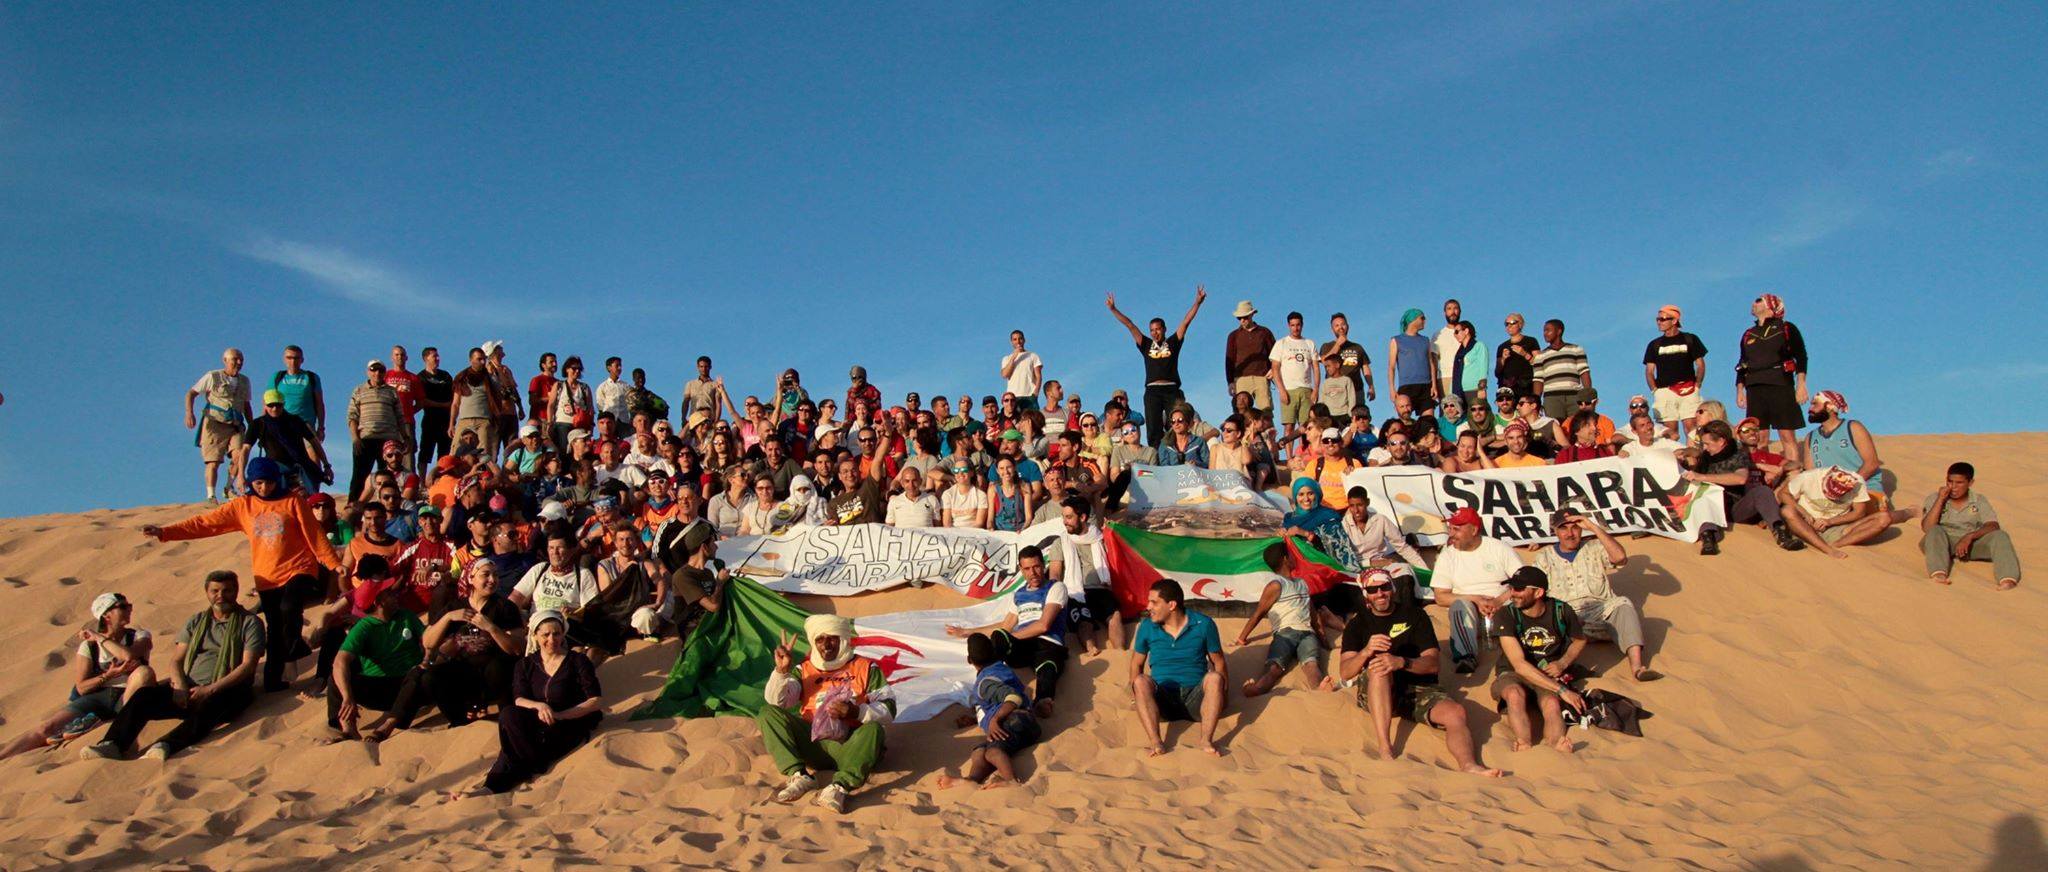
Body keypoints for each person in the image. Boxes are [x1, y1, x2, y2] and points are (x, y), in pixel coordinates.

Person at [143, 457, 341, 692]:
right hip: (266, 575)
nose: (264, 488)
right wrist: (165, 532)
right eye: (258, 483)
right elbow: (206, 523)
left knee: (290, 607)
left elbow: (314, 534)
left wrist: (333, 563)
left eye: (268, 482)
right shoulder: (242, 506)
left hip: (299, 568)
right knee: (275, 628)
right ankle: (273, 681)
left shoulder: (293, 501)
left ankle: (294, 648)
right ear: (250, 482)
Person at [1333, 569, 1502, 776]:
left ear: (1392, 589)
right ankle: (1385, 747)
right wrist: (1367, 651)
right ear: (1366, 594)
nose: (1380, 593)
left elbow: (1433, 664)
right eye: (1373, 589)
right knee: (1379, 667)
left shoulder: (1415, 615)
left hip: (1418, 688)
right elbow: (1345, 672)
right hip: (1378, 689)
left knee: (1455, 713)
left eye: (1385, 587)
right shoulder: (1357, 624)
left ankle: (1469, 765)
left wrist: (1402, 662)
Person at [83, 570, 264, 761]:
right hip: (188, 690)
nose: (220, 596)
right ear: (207, 593)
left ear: (236, 591)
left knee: (214, 703)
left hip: (227, 690)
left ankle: (168, 745)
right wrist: (179, 687)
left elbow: (247, 665)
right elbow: (177, 660)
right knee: (144, 695)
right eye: (215, 591)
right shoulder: (196, 621)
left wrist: (210, 689)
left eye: (227, 590)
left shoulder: (250, 623)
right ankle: (113, 744)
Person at [450, 610, 603, 798]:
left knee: (511, 752)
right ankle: (491, 786)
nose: (551, 639)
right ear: (535, 636)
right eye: (545, 634)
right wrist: (539, 706)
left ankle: (491, 787)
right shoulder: (526, 664)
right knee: (508, 716)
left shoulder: (578, 661)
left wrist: (560, 715)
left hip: (568, 724)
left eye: (556, 633)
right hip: (537, 723)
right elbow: (519, 698)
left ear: (563, 634)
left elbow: (595, 700)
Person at [759, 614, 896, 814]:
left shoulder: (866, 668)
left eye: (832, 638)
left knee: (874, 730)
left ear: (843, 639)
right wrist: (781, 672)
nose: (827, 645)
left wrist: (855, 711)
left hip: (851, 744)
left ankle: (839, 787)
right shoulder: (804, 669)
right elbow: (777, 701)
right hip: (814, 744)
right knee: (767, 712)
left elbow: (889, 710)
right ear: (814, 643)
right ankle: (799, 775)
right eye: (820, 639)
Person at [0, 593, 156, 761]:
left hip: (129, 695)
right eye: (123, 607)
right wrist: (109, 674)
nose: (130, 609)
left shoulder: (140, 636)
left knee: (143, 673)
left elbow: (128, 655)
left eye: (130, 606)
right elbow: (82, 687)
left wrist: (98, 637)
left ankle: (105, 725)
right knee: (47, 728)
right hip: (98, 697)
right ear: (106, 615)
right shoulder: (88, 646)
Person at [1533, 510, 1660, 681]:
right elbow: (1531, 587)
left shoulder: (1594, 547)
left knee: (1623, 604)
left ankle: (1637, 668)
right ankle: (1561, 671)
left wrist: (1593, 527)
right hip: (1567, 618)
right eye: (1564, 528)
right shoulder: (1544, 557)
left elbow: (1620, 557)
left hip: (1601, 613)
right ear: (1555, 531)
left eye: (1575, 527)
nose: (1570, 533)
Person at [945, 546, 1068, 717]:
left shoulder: (1056, 587)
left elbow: (1043, 625)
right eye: (1027, 569)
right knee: (994, 643)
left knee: (1047, 668)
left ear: (1043, 566)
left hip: (1048, 643)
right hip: (1022, 646)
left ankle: (1042, 701)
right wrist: (967, 631)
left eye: (1036, 567)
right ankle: (982, 705)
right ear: (1021, 570)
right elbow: (1005, 626)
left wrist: (1009, 637)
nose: (1032, 572)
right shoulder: (1019, 594)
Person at [1490, 566, 1589, 755]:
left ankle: (1556, 746)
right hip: (1513, 672)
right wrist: (1562, 690)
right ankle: (1524, 743)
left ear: (1538, 592)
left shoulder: (1561, 611)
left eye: (1519, 589)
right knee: (1514, 694)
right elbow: (1518, 664)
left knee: (1551, 703)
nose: (1513, 594)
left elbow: (1580, 640)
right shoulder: (1506, 614)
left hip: (1546, 672)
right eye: (1511, 588)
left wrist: (1563, 663)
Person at [1130, 580, 1226, 756]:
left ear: (1172, 605)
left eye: (1154, 602)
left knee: (1215, 678)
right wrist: (1136, 696)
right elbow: (1136, 663)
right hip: (1162, 701)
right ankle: (1156, 741)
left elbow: (1218, 661)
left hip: (1197, 700)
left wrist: (1222, 694)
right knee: (1140, 681)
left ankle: (1206, 740)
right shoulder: (1146, 627)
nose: (1148, 606)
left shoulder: (1203, 624)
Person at [937, 633, 1042, 790]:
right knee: (979, 752)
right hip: (1018, 723)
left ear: (969, 660)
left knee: (992, 752)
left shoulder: (985, 683)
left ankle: (1011, 781)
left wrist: (995, 719)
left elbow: (1014, 698)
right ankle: (971, 780)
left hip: (1016, 721)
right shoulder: (1001, 668)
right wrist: (975, 718)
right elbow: (995, 701)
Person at [1681, 420, 1802, 555]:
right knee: (1704, 499)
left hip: (1735, 509)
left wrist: (1702, 477)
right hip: (1712, 508)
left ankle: (1781, 533)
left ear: (1721, 441)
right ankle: (1708, 539)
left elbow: (1740, 478)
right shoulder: (1705, 458)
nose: (1706, 448)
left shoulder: (1738, 455)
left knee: (1762, 491)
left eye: (1708, 444)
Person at [324, 583, 425, 741]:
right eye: (389, 594)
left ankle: (389, 725)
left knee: (418, 673)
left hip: (410, 686)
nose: (395, 596)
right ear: (379, 603)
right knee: (336, 677)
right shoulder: (363, 627)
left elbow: (428, 639)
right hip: (379, 688)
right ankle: (347, 729)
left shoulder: (406, 616)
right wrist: (348, 697)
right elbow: (340, 661)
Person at [1431, 507, 1521, 674]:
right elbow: (1440, 597)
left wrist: (1498, 601)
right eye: (1450, 528)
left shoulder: (1499, 548)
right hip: (1470, 617)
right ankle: (1466, 657)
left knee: (1518, 600)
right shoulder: (1447, 555)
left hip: (1501, 608)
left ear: (1474, 529)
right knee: (1459, 605)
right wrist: (1475, 599)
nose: (1451, 534)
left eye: (1456, 529)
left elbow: (1524, 581)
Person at [1235, 542, 1324, 697]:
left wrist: (1323, 638)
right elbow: (1259, 613)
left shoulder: (1302, 583)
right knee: (1275, 668)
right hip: (1285, 633)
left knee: (1311, 665)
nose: (1294, 557)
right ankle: (1258, 689)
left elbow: (1313, 614)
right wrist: (1242, 638)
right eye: (1291, 554)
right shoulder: (1276, 585)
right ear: (1285, 559)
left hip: (1307, 633)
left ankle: (1321, 690)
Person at [1922, 462, 2020, 589]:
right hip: (1941, 543)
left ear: (1970, 483)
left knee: (2000, 536)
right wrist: (1940, 500)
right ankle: (1938, 573)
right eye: (1950, 481)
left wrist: (1970, 537)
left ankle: (2007, 579)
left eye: (1959, 483)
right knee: (1935, 530)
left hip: (1968, 546)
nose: (1953, 487)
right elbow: (1927, 528)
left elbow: (1993, 525)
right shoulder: (1934, 498)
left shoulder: (1979, 500)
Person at [1735, 293, 1809, 459]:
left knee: (1786, 436)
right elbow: (1742, 363)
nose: (1754, 303)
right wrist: (1740, 390)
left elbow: (1801, 356)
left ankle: (1793, 477)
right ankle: (1761, 479)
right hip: (1754, 387)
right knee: (1758, 438)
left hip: (1780, 384)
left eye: (1758, 300)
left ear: (1770, 305)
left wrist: (1801, 384)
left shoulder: (1786, 328)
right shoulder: (1748, 334)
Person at [1776, 466, 1897, 559]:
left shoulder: (1857, 483)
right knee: (1787, 511)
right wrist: (1804, 513)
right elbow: (1783, 494)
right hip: (1804, 523)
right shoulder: (1809, 476)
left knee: (1884, 518)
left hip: (1836, 527)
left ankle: (1836, 544)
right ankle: (1826, 549)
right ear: (1825, 478)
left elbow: (1859, 513)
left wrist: (1829, 522)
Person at [186, 347, 254, 502]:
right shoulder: (213, 376)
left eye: (241, 360)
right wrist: (189, 413)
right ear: (225, 360)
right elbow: (191, 393)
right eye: (235, 359)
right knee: (213, 460)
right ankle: (211, 495)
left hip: (236, 424)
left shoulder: (245, 381)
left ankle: (229, 488)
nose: (238, 363)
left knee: (240, 455)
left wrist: (253, 426)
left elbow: (246, 405)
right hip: (215, 424)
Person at [1803, 390, 1887, 507]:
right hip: (1829, 496)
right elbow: (1810, 473)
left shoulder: (1853, 427)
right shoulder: (1811, 437)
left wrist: (1846, 486)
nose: (1810, 409)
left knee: (1876, 518)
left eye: (1815, 404)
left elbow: (1871, 463)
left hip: (1863, 489)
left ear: (1829, 407)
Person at [1643, 305, 1709, 441]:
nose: (1659, 322)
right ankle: (1672, 460)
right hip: (1664, 390)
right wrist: (1655, 390)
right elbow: (1649, 370)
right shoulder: (1654, 344)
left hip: (1689, 388)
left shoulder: (1690, 339)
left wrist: (1697, 385)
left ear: (1674, 320)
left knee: (1692, 429)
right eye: (1658, 319)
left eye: (1663, 319)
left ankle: (1694, 459)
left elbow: (1700, 364)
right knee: (1669, 432)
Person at [247, 388, 332, 492]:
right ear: (265, 404)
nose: (274, 408)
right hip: (274, 471)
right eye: (271, 405)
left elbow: (314, 442)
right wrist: (240, 476)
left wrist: (326, 465)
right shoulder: (258, 424)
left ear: (284, 404)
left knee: (309, 500)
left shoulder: (295, 421)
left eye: (278, 405)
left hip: (301, 469)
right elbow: (245, 449)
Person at [1269, 311, 1319, 447]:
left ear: (1302, 325)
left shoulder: (1309, 343)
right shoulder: (1281, 343)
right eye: (1292, 325)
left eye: (1298, 325)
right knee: (1289, 425)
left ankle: (1304, 452)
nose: (1295, 328)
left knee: (1306, 426)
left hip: (1306, 388)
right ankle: (1289, 456)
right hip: (1288, 389)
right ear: (1288, 326)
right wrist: (1281, 390)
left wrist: (1316, 389)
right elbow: (1275, 368)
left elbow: (1316, 367)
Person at [1318, 312, 1375, 419]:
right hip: (1335, 392)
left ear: (1347, 326)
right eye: (1337, 325)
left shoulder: (1357, 347)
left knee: (1358, 419)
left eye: (1343, 324)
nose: (1340, 327)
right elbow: (1324, 361)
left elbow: (1365, 367)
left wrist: (1371, 386)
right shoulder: (1327, 346)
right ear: (1332, 329)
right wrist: (1338, 344)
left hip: (1356, 389)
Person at [1533, 319, 1591, 422]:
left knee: (1577, 425)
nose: (1545, 334)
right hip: (1551, 397)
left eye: (1548, 330)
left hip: (1574, 395)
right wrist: (1536, 401)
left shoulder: (1576, 349)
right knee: (1555, 427)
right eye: (1544, 331)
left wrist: (1587, 395)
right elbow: (1538, 380)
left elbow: (1584, 373)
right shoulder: (1541, 356)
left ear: (1559, 331)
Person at [1224, 299, 1277, 412]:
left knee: (1266, 411)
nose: (1242, 320)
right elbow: (1229, 360)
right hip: (1241, 379)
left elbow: (1275, 353)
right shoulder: (1233, 336)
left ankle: (1268, 430)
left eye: (1245, 317)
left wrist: (1273, 370)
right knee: (1242, 412)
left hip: (1262, 377)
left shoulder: (1264, 332)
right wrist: (1230, 382)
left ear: (1252, 315)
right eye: (1239, 318)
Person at [268, 345, 326, 441]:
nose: (293, 361)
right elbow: (267, 402)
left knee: (313, 454)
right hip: (281, 424)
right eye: (289, 358)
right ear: (284, 359)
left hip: (305, 424)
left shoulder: (311, 377)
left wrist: (321, 428)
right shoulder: (277, 377)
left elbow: (320, 403)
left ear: (302, 360)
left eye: (296, 358)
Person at [1387, 308, 1437, 418]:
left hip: (1425, 386)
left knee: (1428, 422)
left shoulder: (1425, 340)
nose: (1425, 321)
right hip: (1406, 386)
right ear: (1413, 320)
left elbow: (1431, 363)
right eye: (1422, 318)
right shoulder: (1396, 340)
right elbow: (1391, 367)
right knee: (1405, 421)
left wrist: (1434, 385)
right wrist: (1392, 388)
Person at [416, 347, 456, 476]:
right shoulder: (421, 377)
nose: (437, 359)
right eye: (434, 356)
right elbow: (422, 400)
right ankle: (422, 481)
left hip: (445, 420)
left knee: (444, 453)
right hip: (430, 419)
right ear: (425, 358)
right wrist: (442, 404)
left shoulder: (445, 376)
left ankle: (441, 478)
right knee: (425, 452)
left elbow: (453, 397)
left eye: (438, 356)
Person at [1495, 313, 1540, 402]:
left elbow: (1539, 364)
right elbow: (1497, 372)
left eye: (1512, 323)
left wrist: (1525, 354)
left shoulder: (1531, 341)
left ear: (1520, 324)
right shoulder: (1502, 346)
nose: (1509, 326)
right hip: (1508, 390)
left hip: (1527, 387)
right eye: (1506, 324)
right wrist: (1503, 359)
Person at [998, 329, 1046, 413]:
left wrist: (1035, 394)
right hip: (1013, 398)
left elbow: (1039, 376)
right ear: (1011, 342)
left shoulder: (1033, 356)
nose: (1018, 341)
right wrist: (1014, 357)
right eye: (1015, 339)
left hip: (1029, 396)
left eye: (1020, 338)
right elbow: (1004, 375)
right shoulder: (1006, 358)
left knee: (1032, 423)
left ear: (1024, 340)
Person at [1618, 412, 1682, 459]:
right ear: (1635, 431)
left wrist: (1683, 452)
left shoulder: (1665, 443)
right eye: (1642, 425)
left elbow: (1689, 450)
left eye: (1649, 423)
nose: (1648, 428)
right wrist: (1623, 455)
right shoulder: (1631, 448)